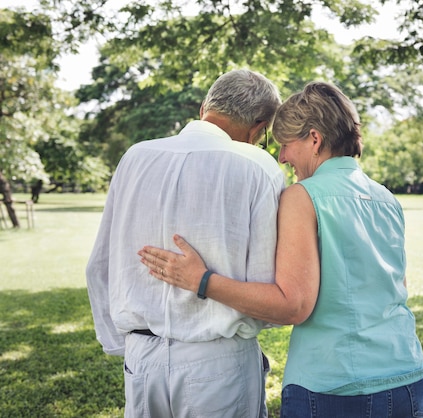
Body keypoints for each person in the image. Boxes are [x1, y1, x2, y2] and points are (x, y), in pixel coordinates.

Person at [139, 81, 423, 417]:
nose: (280, 156)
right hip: (407, 378)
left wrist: (201, 280)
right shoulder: (386, 198)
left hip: (336, 386)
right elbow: (397, 289)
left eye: (285, 144)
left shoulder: (302, 196)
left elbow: (292, 306)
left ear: (315, 139)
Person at [86, 69, 284, 418]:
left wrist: (125, 345)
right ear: (259, 127)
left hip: (140, 355)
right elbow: (265, 287)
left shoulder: (135, 157)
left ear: (206, 106)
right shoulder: (258, 166)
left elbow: (98, 266)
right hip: (218, 359)